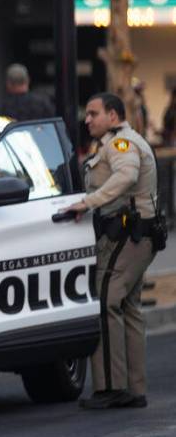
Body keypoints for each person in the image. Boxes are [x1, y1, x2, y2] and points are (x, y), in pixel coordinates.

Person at [61, 92, 159, 410]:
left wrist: (87, 202)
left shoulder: (121, 144)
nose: (87, 119)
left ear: (113, 116)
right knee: (128, 307)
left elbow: (126, 176)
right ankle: (133, 387)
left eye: (94, 113)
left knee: (106, 302)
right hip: (136, 235)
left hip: (128, 235)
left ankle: (111, 388)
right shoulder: (114, 142)